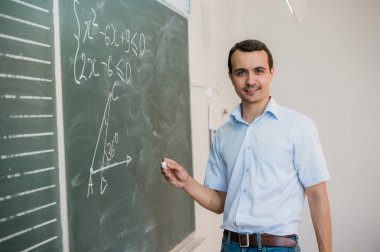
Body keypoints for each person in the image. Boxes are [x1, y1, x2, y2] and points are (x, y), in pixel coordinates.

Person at [161, 39, 332, 252]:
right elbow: (219, 202)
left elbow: (317, 197)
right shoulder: (223, 134)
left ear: (271, 72)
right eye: (241, 72)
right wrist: (186, 182)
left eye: (258, 70)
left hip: (277, 248)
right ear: (231, 77)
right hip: (230, 246)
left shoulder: (299, 127)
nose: (250, 80)